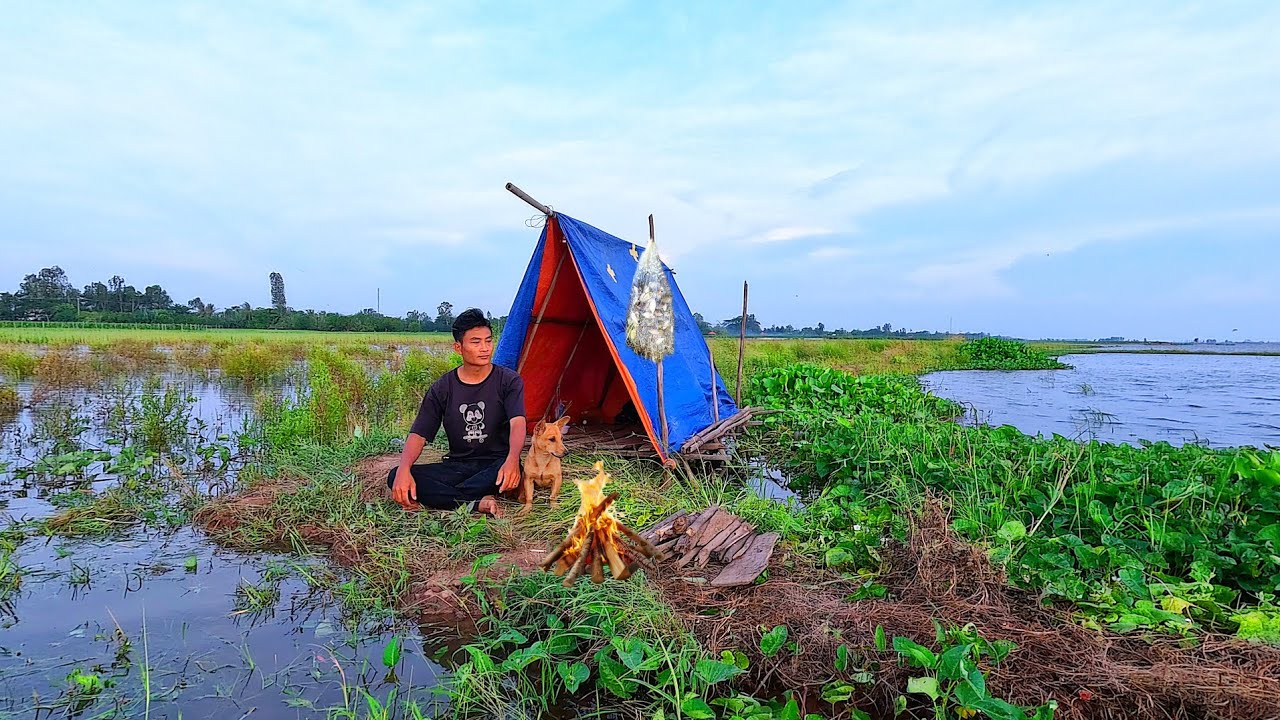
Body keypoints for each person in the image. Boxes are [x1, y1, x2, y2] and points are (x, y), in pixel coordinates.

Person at [387, 308, 526, 516]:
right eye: (475, 342)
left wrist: (513, 459)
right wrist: (404, 469)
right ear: (458, 347)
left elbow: (518, 422)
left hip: (496, 465)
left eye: (488, 341)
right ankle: (476, 502)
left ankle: (449, 498)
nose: (485, 348)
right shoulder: (443, 387)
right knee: (395, 476)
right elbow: (419, 433)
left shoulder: (508, 381)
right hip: (457, 466)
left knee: (507, 472)